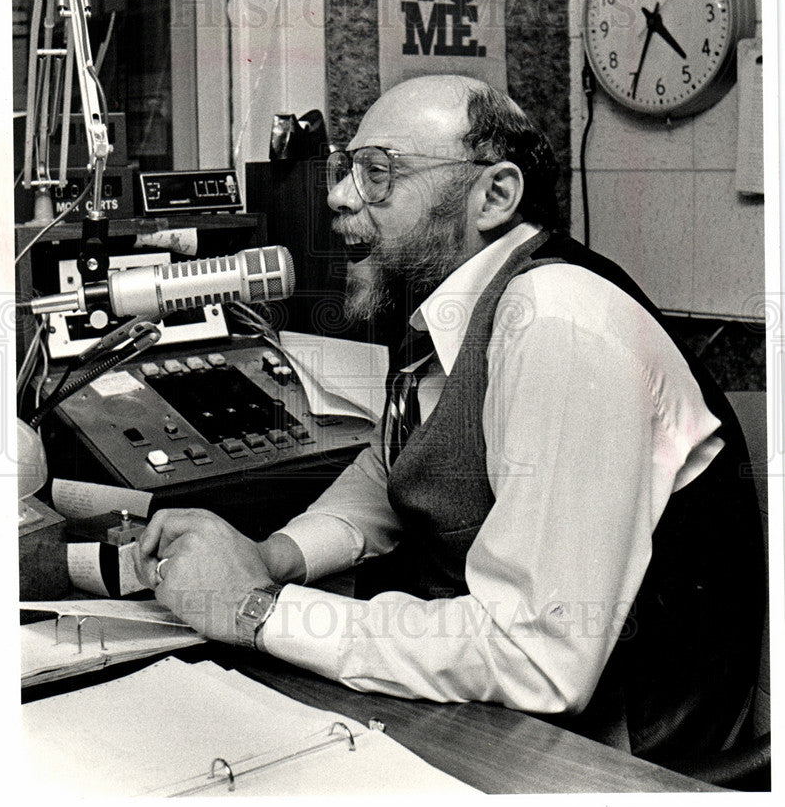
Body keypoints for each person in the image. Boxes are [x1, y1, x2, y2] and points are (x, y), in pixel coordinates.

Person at [135, 75, 765, 768]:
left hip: (626, 756)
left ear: (494, 195)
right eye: (346, 169)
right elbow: (397, 464)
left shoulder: (555, 320)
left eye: (377, 172)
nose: (340, 196)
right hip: (524, 721)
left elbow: (537, 656)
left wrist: (258, 610)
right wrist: (275, 557)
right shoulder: (450, 304)